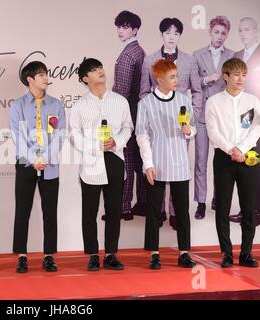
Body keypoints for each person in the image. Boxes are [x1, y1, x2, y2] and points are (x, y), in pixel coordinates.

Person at [69, 58, 133, 271]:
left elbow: (128, 127)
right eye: (94, 71)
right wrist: (95, 146)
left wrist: (117, 142)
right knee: (90, 212)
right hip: (91, 161)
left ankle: (111, 254)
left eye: (100, 68)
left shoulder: (120, 101)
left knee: (114, 210)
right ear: (85, 79)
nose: (100, 72)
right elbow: (74, 134)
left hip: (115, 158)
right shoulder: (79, 106)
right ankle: (93, 255)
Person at [140, 17, 202, 230]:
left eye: (175, 33)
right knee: (157, 166)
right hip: (157, 123)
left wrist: (191, 115)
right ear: (161, 35)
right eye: (167, 33)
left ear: (180, 36)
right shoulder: (149, 60)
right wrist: (148, 117)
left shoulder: (189, 60)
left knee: (178, 167)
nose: (171, 37)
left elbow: (197, 90)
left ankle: (175, 212)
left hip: (180, 122)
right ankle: (158, 212)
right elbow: (143, 91)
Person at [136, 59, 197, 270]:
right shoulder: (145, 104)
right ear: (158, 78)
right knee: (154, 210)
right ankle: (154, 253)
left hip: (180, 162)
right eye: (171, 77)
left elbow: (194, 126)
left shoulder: (183, 100)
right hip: (157, 162)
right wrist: (148, 164)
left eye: (176, 76)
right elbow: (142, 135)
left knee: (182, 210)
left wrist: (189, 130)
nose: (176, 80)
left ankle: (184, 252)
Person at [9, 61, 66, 273]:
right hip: (26, 164)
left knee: (49, 211)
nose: (45, 78)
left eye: (46, 74)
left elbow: (60, 135)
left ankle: (49, 256)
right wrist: (33, 158)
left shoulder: (56, 105)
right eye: (40, 75)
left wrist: (47, 158)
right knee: (22, 210)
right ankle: (22, 256)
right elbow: (17, 135)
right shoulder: (18, 105)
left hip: (50, 166)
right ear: (30, 80)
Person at [205, 58, 260, 268]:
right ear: (225, 76)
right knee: (223, 207)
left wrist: (242, 149)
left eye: (244, 75)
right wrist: (231, 149)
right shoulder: (213, 102)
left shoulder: (252, 101)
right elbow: (213, 131)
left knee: (248, 208)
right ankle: (226, 253)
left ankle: (246, 253)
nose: (241, 79)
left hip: (247, 157)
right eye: (236, 74)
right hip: (224, 158)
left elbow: (254, 129)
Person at [229, 17, 260, 226]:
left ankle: (257, 211)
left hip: (257, 112)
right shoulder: (237, 56)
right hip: (239, 114)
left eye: (247, 29)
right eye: (240, 30)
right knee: (243, 159)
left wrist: (250, 92)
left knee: (256, 159)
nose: (243, 33)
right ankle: (246, 208)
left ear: (256, 31)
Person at [106, 10, 146, 221]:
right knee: (138, 160)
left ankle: (123, 207)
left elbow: (121, 90)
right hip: (138, 113)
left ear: (135, 29)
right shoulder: (139, 51)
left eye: (125, 27)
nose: (120, 31)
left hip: (127, 114)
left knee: (127, 161)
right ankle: (141, 204)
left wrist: (114, 117)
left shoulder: (128, 54)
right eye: (119, 27)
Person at [192, 16, 234, 219]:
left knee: (223, 161)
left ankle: (219, 198)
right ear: (210, 31)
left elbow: (235, 85)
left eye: (223, 33)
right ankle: (201, 202)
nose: (219, 36)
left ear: (227, 34)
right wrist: (207, 79)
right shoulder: (197, 54)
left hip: (222, 117)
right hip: (201, 115)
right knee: (201, 160)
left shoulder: (233, 56)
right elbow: (192, 83)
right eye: (216, 32)